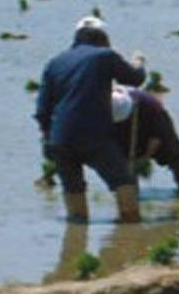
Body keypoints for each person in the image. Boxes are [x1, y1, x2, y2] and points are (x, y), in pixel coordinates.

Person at [34, 17, 148, 223]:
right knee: (123, 180)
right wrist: (139, 64)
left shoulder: (54, 63)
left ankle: (75, 239)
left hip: (60, 138)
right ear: (103, 38)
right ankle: (130, 227)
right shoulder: (104, 56)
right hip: (93, 134)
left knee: (73, 189)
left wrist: (47, 137)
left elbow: (42, 110)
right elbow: (134, 79)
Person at [112, 84, 179, 193]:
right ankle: (131, 194)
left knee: (175, 156)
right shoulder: (102, 105)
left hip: (150, 122)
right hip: (119, 127)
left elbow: (157, 137)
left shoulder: (151, 106)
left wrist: (144, 158)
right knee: (126, 164)